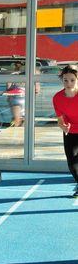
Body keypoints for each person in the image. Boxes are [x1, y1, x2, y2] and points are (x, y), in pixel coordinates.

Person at [52, 64, 78, 198]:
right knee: (72, 163)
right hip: (70, 131)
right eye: (65, 80)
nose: (69, 83)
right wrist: (63, 126)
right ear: (62, 80)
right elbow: (60, 119)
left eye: (72, 80)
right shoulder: (57, 98)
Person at [4, 60, 25, 127]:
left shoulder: (12, 75)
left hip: (15, 98)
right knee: (20, 117)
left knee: (16, 118)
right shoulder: (25, 74)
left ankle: (16, 126)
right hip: (24, 98)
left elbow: (8, 87)